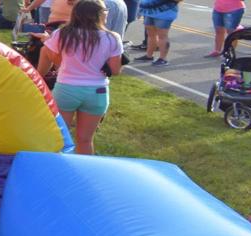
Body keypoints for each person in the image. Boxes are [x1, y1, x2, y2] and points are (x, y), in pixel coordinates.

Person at [41, 0, 123, 155]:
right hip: (97, 91)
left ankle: (57, 172)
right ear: (99, 14)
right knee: (85, 140)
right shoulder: (112, 38)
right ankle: (83, 174)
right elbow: (115, 70)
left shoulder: (62, 33)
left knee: (58, 138)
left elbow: (53, 58)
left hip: (66, 88)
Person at [135, 0, 179, 66]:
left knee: (162, 36)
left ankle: (163, 59)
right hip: (148, 11)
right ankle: (149, 56)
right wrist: (141, 9)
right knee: (150, 35)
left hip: (164, 13)